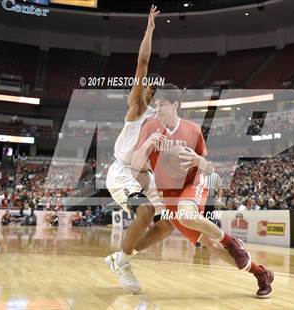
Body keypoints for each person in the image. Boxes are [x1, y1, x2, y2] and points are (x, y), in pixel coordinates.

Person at [131, 84, 274, 298]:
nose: (158, 108)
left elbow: (207, 166)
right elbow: (135, 164)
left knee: (187, 214)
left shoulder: (192, 129)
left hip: (193, 182)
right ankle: (261, 273)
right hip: (169, 193)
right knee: (211, 245)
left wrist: (199, 160)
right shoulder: (150, 128)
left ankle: (231, 241)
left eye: (162, 104)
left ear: (175, 105)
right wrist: (147, 145)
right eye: (156, 104)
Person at [105, 5, 173, 294]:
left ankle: (121, 257)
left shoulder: (164, 125)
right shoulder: (137, 108)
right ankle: (122, 264)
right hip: (122, 173)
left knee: (169, 223)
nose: (149, 92)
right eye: (148, 89)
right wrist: (150, 28)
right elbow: (142, 63)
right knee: (144, 212)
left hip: (145, 176)